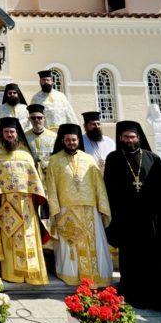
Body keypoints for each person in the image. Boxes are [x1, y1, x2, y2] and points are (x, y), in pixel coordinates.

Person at [103, 120, 161, 314]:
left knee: (155, 261)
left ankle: (158, 299)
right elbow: (109, 189)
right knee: (131, 262)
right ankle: (135, 297)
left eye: (132, 137)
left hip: (151, 221)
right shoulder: (114, 159)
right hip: (128, 221)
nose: (129, 140)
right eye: (126, 137)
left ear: (139, 138)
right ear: (120, 138)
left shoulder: (153, 158)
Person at [44, 123, 112, 286]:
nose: (71, 142)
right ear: (63, 141)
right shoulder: (54, 160)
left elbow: (99, 185)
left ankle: (97, 277)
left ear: (77, 140)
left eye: (74, 140)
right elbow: (51, 186)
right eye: (68, 140)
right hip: (66, 209)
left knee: (92, 241)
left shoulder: (89, 159)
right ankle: (71, 275)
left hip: (90, 208)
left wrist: (103, 207)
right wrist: (54, 210)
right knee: (70, 243)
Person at [0, 117, 49, 285]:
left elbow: (37, 180)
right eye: (6, 132)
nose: (9, 135)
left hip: (26, 203)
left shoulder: (26, 154)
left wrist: (36, 200)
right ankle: (10, 274)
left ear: (17, 134)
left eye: (12, 132)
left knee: (28, 236)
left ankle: (32, 273)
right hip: (5, 204)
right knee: (8, 236)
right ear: (2, 134)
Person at [23, 103, 57, 180]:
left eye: (39, 118)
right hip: (31, 175)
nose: (36, 120)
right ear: (29, 119)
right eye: (33, 118)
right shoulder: (24, 137)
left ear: (44, 118)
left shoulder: (54, 137)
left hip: (50, 174)